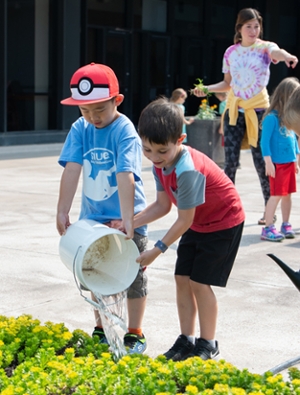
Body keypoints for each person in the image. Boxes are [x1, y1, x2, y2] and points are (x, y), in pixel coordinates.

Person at [133, 97, 245, 361]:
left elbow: (183, 221)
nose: (154, 157)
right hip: (197, 220)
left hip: (223, 222)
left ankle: (208, 343)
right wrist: (128, 222)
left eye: (162, 151)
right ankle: (187, 339)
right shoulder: (159, 164)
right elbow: (162, 206)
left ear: (180, 140)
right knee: (182, 278)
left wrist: (156, 250)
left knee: (199, 281)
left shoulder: (188, 170)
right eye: (147, 150)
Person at [56, 62, 148, 354]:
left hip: (128, 217)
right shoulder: (80, 128)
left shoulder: (124, 130)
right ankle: (101, 326)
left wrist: (127, 219)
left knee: (134, 275)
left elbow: (125, 175)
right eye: (85, 111)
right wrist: (62, 209)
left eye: (99, 110)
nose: (92, 117)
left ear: (116, 101)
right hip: (93, 217)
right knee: (92, 269)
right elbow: (72, 168)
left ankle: (134, 331)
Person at [192, 8, 298, 226]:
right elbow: (227, 84)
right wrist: (207, 89)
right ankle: (226, 208)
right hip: (234, 110)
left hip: (259, 111)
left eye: (256, 26)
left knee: (263, 163)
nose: (253, 30)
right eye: (248, 26)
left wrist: (286, 56)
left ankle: (270, 211)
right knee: (230, 163)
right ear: (239, 29)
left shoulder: (264, 47)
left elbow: (276, 52)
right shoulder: (231, 52)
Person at [260, 77, 300, 242]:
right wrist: (268, 161)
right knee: (275, 195)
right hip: (277, 165)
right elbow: (264, 141)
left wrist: (296, 159)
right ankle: (268, 227)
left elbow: (293, 139)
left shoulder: (288, 118)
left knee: (288, 195)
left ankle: (286, 223)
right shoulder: (272, 118)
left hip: (289, 162)